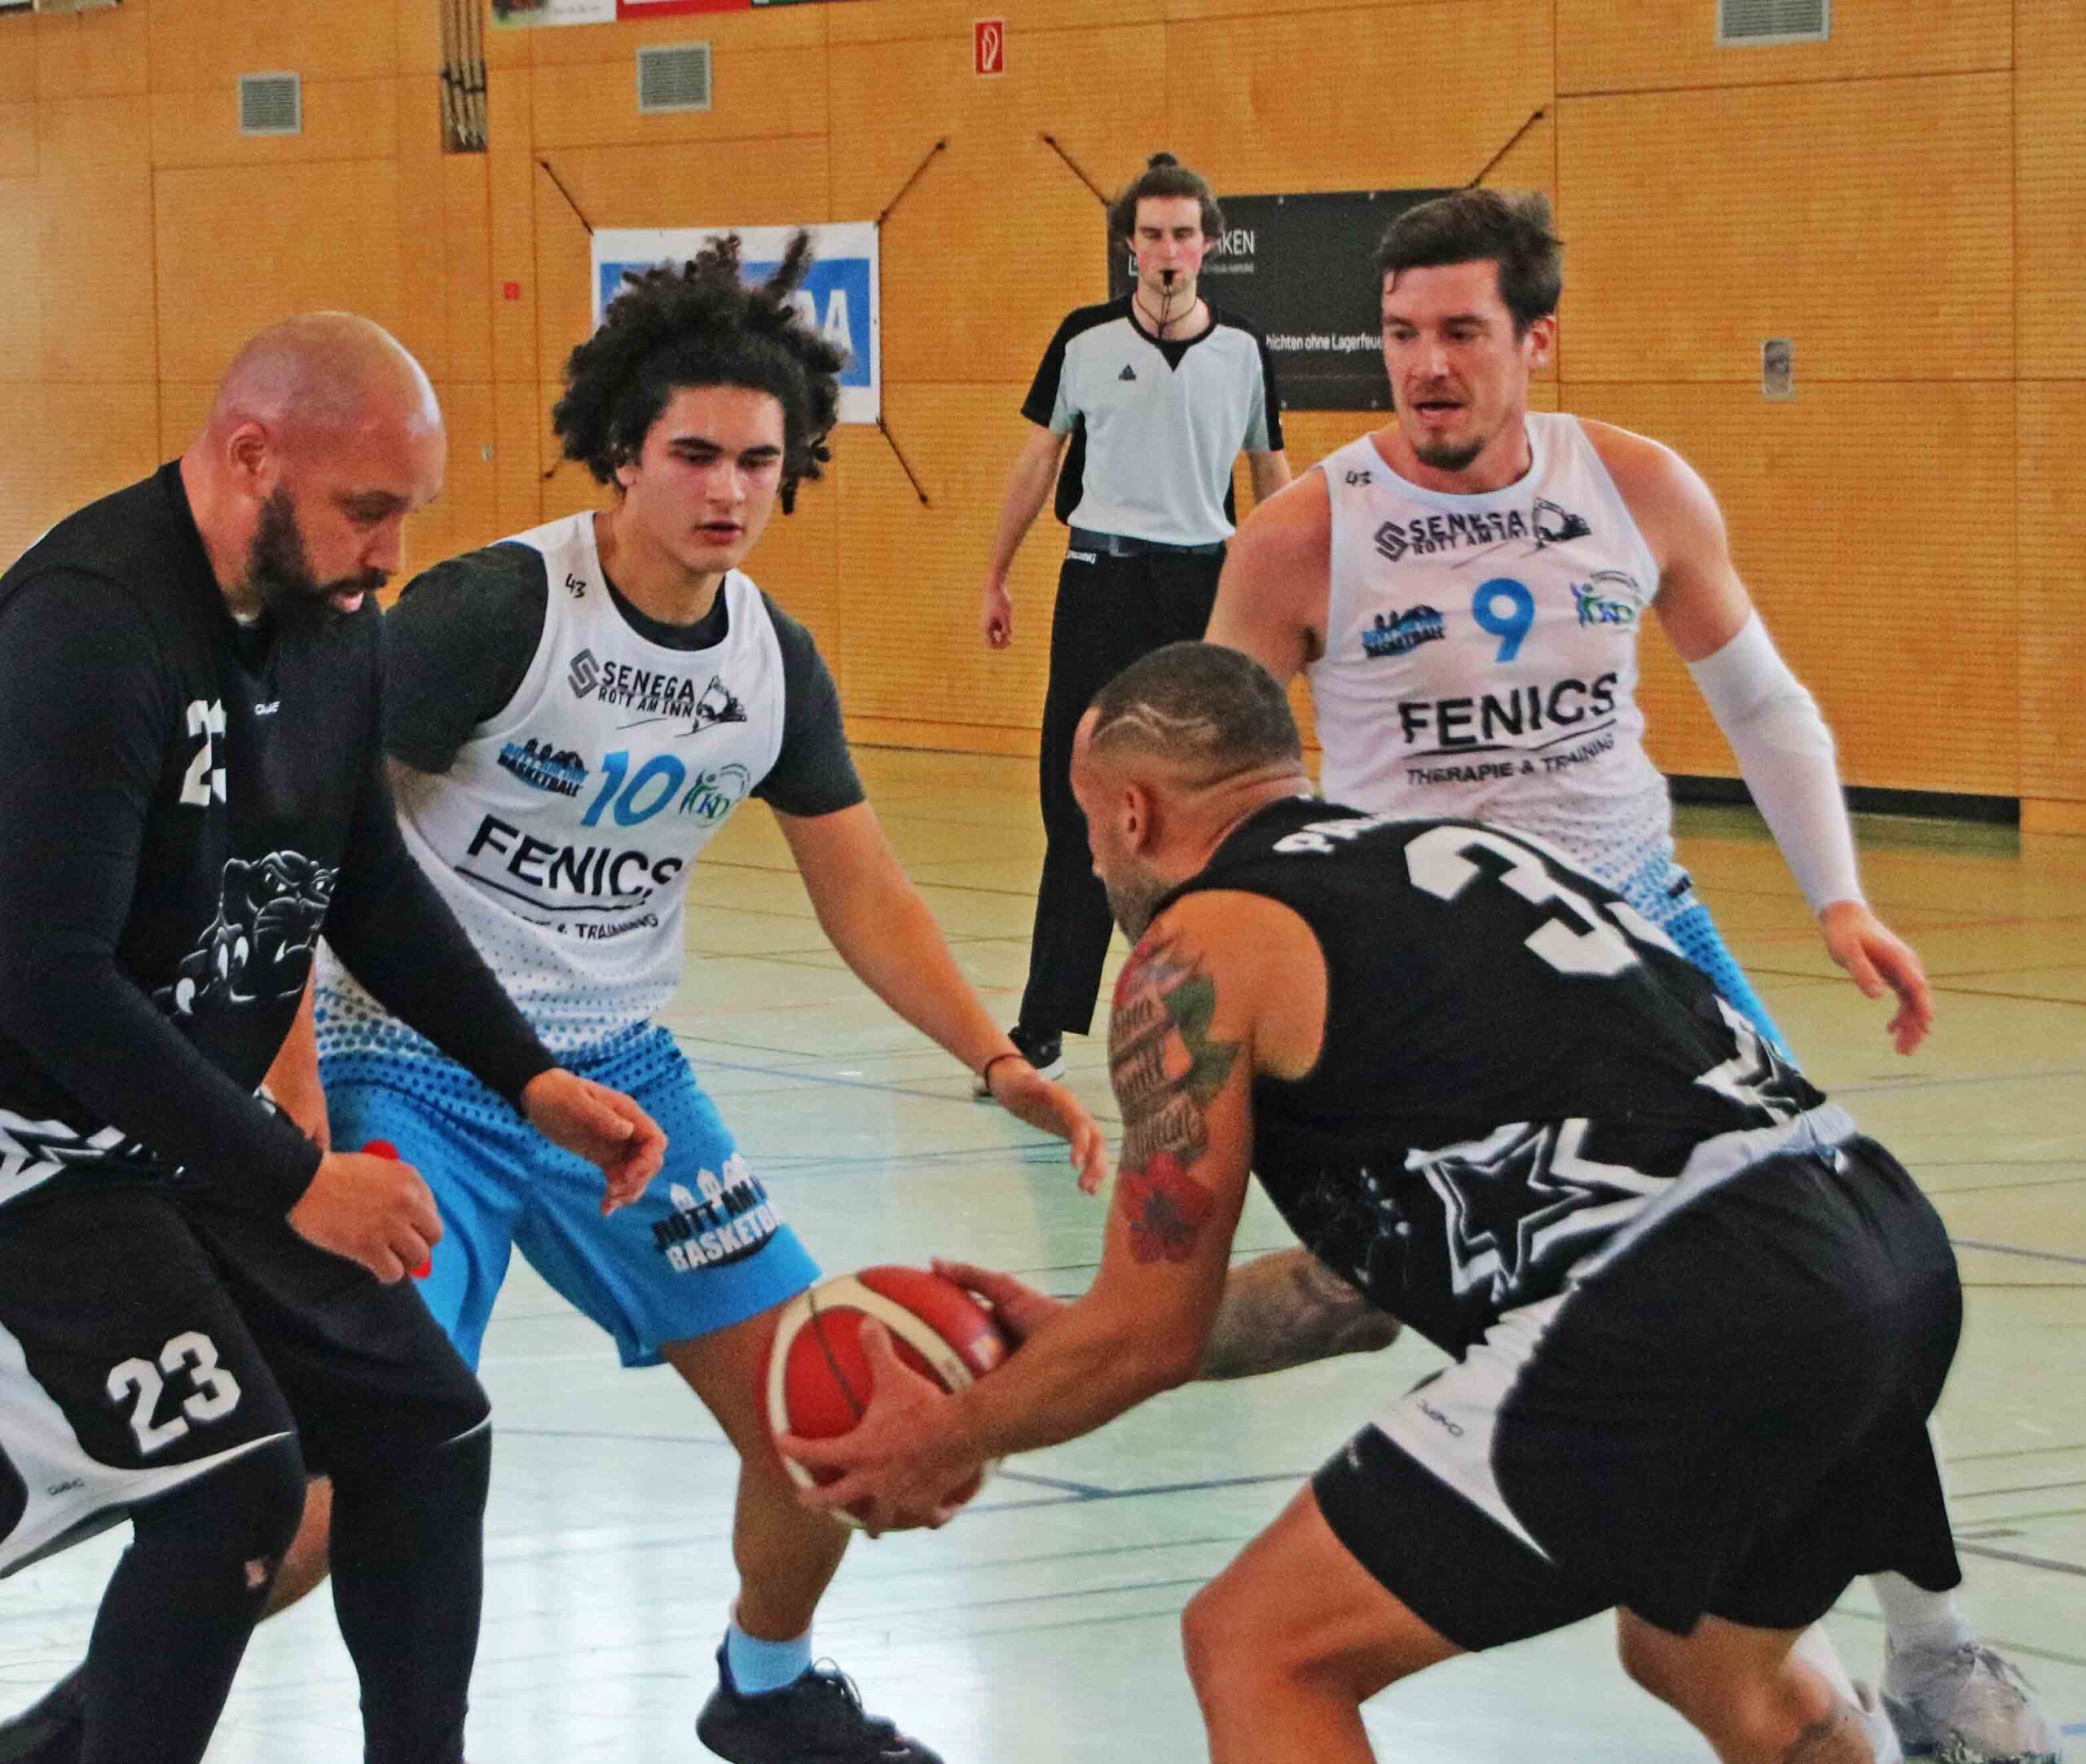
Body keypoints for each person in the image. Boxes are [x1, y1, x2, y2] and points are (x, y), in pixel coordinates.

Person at [0, 238, 1107, 1764]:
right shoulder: (421, 615)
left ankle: (762, 1687)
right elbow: (154, 927)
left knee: (754, 1408)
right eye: (696, 454)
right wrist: (297, 1126)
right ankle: (82, 1724)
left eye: (760, 462)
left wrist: (985, 1053)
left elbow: (371, 876)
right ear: (623, 456)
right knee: (291, 1495)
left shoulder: (744, 661)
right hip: (314, 1090)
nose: (729, 490)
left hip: (590, 1074)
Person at [1204, 187, 2057, 1764]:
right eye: (1402, 335)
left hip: (1649, 940)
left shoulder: (1637, 486)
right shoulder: (1304, 533)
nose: (1428, 365)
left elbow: (1764, 702)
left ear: (1537, 341)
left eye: (1463, 333)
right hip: (1442, 988)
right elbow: (1222, 786)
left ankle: (1937, 1646)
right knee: (1478, 1293)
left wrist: (1841, 902)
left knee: (1815, 1253)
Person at [784, 641, 1968, 1764]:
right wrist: (1070, 1333)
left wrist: (947, 1433)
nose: (1094, 864)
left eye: (1090, 827)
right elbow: (1349, 1292)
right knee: (1708, 1660)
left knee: (1260, 1646)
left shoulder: (1197, 950)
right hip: (1880, 1249)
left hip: (1678, 1299)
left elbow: (1148, 1335)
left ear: (1131, 813)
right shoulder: (1445, 860)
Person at [0, 315, 666, 1764]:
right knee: (233, 1491)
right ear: (252, 456)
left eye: (407, 514)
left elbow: (360, 876)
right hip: (36, 1151)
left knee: (430, 1426)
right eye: (367, 510)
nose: (390, 555)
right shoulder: (86, 627)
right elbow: (44, 983)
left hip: (172, 1127)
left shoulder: (336, 624)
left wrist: (529, 1076)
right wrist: (298, 1180)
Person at [977, 151, 1291, 1083]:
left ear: (1208, 245)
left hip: (1201, 589)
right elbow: (1037, 461)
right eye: (1151, 234)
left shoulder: (1244, 350)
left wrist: (1294, 596)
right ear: (1129, 246)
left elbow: (1271, 477)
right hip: (1100, 584)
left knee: (1205, 806)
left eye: (1183, 233)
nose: (1167, 249)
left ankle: (1212, 1015)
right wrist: (995, 572)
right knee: (1074, 800)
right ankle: (1044, 1020)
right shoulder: (1083, 340)